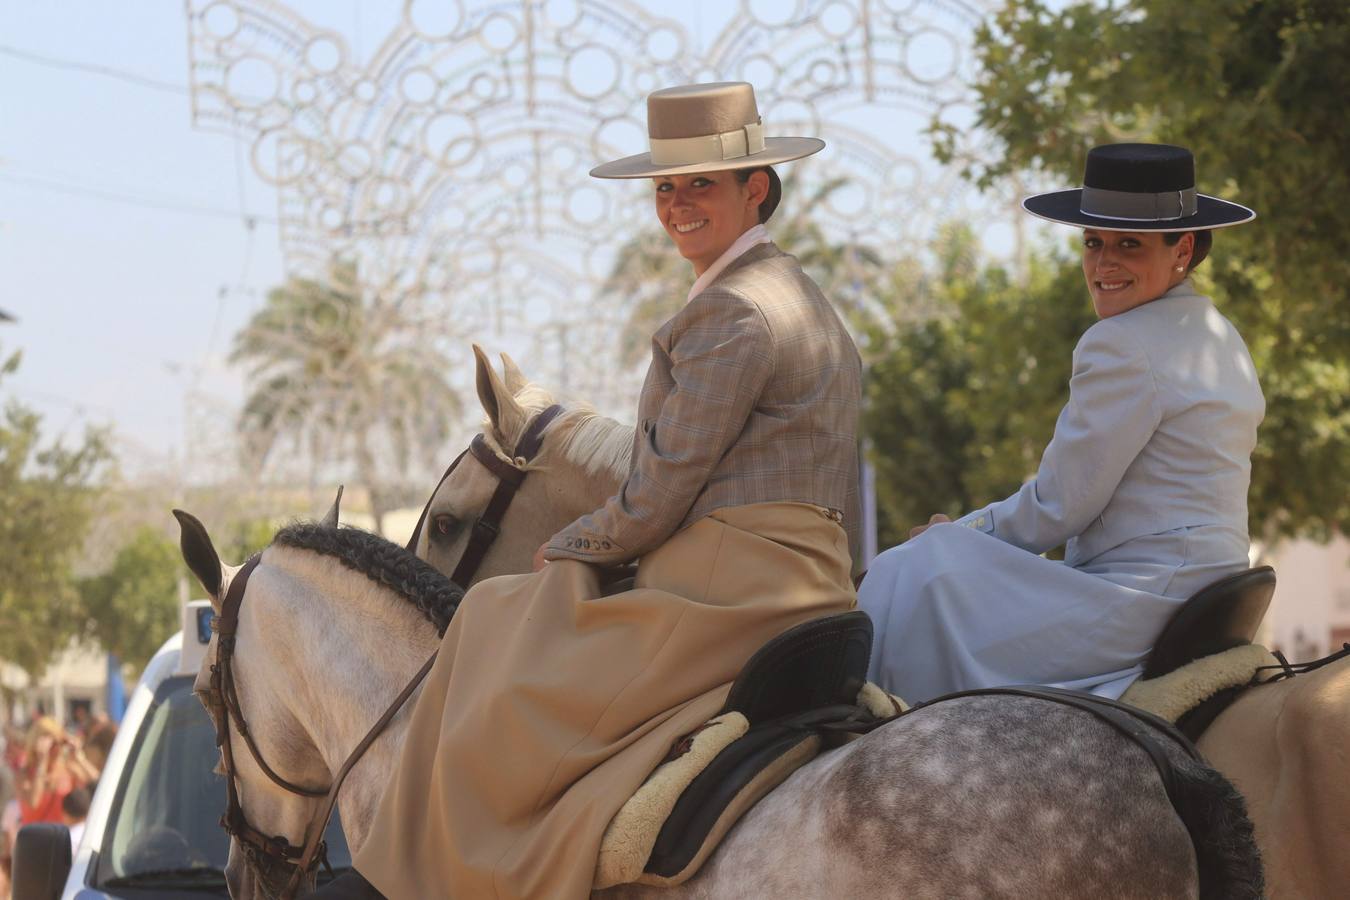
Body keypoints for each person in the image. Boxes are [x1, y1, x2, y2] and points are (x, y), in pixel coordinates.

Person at [341, 82, 861, 900]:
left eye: (701, 184)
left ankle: (448, 871)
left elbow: (660, 490)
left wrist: (571, 544)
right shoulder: (804, 299)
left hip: (731, 585)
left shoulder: (733, 311)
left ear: (755, 188)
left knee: (490, 618)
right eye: (665, 188)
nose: (678, 205)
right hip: (814, 572)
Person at [859, 143, 1262, 703]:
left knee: (916, 570)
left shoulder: (1121, 342)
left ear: (1184, 249)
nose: (1103, 264)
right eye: (1093, 243)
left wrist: (958, 534)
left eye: (1129, 244)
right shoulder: (1219, 333)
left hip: (1144, 597)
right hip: (1211, 584)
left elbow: (1059, 507)